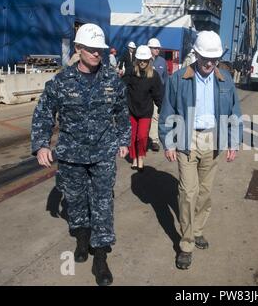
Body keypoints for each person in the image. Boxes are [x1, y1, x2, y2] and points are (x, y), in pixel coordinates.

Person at [31, 23, 131, 286]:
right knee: (75, 203)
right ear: (78, 49)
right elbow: (43, 113)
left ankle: (100, 257)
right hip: (71, 156)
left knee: (102, 204)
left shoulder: (112, 80)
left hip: (102, 154)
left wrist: (123, 139)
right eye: (91, 49)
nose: (97, 54)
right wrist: (42, 144)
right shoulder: (61, 82)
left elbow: (122, 113)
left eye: (99, 49)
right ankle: (83, 239)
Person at [159, 30, 242, 270]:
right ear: (195, 54)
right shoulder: (178, 79)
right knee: (188, 192)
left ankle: (197, 230)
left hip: (213, 140)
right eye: (205, 57)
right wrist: (168, 142)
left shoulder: (225, 79)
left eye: (214, 58)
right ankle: (186, 244)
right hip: (187, 138)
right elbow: (167, 112)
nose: (209, 63)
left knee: (205, 192)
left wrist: (233, 142)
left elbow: (234, 113)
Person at [123, 45, 163, 170]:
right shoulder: (130, 72)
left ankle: (141, 157)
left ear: (149, 60)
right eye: (140, 60)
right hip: (131, 110)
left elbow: (158, 95)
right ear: (136, 60)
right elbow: (121, 89)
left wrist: (162, 108)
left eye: (145, 60)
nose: (142, 62)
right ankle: (134, 158)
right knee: (132, 135)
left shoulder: (154, 76)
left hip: (145, 111)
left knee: (141, 136)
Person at [147, 38, 168, 153]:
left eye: (158, 48)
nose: (157, 50)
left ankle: (154, 141)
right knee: (145, 117)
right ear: (149, 48)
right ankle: (144, 138)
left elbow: (165, 79)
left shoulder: (162, 62)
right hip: (145, 94)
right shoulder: (144, 60)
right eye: (155, 48)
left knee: (155, 116)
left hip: (157, 94)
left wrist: (165, 94)